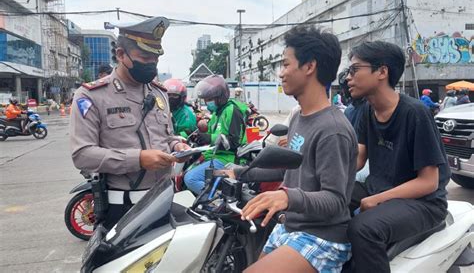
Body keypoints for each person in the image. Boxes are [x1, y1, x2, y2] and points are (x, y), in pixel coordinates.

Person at [225, 26, 357, 273]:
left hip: (322, 236)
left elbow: (337, 200)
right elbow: (289, 173)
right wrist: (239, 172)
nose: (281, 73)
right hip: (290, 226)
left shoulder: (333, 129)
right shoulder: (298, 118)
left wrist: (287, 197)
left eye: (286, 64)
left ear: (309, 67)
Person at [70, 17, 190, 230]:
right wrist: (139, 159)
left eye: (155, 58)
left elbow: (166, 136)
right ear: (120, 55)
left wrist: (176, 145)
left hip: (164, 200)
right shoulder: (92, 96)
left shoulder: (159, 93)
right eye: (144, 57)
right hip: (123, 209)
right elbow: (82, 154)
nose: (151, 64)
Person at [345, 41, 450, 273]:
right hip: (378, 188)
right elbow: (359, 159)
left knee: (363, 228)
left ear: (382, 72)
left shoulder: (415, 113)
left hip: (424, 203)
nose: (348, 78)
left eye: (354, 70)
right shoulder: (366, 110)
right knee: (331, 199)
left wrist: (378, 199)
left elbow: (428, 181)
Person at [183, 75, 248, 194]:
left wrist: (208, 138)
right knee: (185, 171)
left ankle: (215, 202)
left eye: (209, 99)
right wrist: (198, 136)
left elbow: (235, 142)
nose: (207, 103)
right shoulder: (217, 113)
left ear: (220, 97)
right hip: (215, 156)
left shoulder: (232, 110)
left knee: (191, 179)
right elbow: (210, 135)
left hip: (228, 158)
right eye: (206, 99)